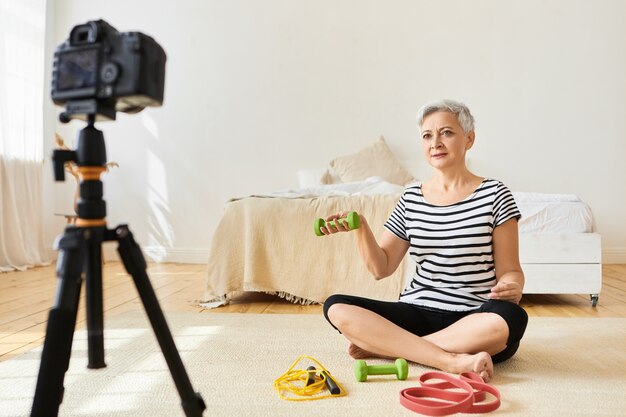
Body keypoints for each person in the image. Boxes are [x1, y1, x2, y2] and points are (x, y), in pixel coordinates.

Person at [320, 99, 528, 382]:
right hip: (416, 311)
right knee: (337, 306)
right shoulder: (411, 198)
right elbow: (381, 268)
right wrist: (361, 228)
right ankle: (450, 361)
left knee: (512, 319)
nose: (436, 143)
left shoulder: (495, 194)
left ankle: (393, 347)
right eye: (427, 136)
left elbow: (511, 271)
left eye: (447, 133)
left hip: (474, 316)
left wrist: (512, 286)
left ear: (469, 139)